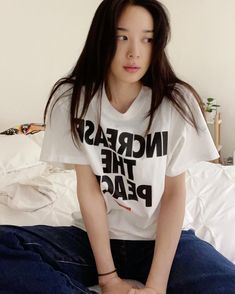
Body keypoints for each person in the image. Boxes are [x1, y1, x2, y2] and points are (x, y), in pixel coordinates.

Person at [1, 0, 235, 293]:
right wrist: (108, 278)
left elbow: (175, 192)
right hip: (93, 241)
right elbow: (89, 189)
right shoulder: (72, 99)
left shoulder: (176, 102)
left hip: (162, 243)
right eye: (121, 36)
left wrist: (156, 285)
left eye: (147, 39)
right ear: (102, 38)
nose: (134, 51)